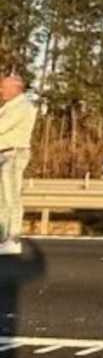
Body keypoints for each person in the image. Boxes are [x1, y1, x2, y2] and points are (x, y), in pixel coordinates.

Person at [0, 74, 37, 256]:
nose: (1, 90)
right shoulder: (9, 106)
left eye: (4, 87)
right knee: (3, 199)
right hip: (5, 154)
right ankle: (4, 237)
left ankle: (13, 239)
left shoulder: (22, 107)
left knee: (12, 198)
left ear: (15, 88)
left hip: (13, 154)